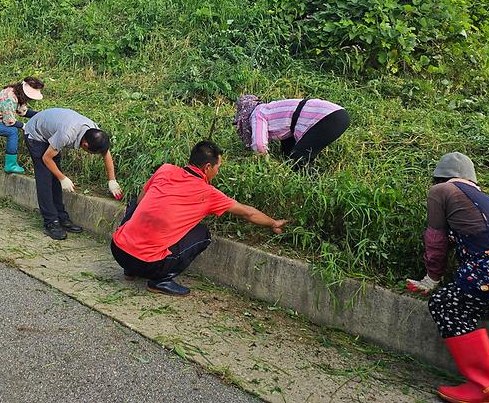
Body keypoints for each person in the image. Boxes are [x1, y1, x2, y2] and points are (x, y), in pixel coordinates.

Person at [405, 152, 489, 403]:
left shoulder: (441, 191)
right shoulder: (484, 200)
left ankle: (483, 388)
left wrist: (431, 279)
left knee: (447, 303)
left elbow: (435, 239)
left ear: (438, 177)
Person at [111, 141, 288, 296]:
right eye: (218, 168)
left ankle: (130, 271)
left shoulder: (165, 169)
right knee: (202, 233)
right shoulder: (209, 194)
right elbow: (247, 213)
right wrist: (273, 223)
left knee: (136, 204)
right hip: (147, 264)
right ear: (207, 168)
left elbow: (141, 201)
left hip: (118, 250)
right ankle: (160, 281)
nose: (218, 172)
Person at [23, 107, 123, 240]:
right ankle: (50, 222)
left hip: (52, 132)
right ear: (85, 145)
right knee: (45, 179)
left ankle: (61, 217)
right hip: (36, 134)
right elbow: (46, 158)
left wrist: (112, 180)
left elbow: (106, 153)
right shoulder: (67, 135)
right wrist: (62, 178)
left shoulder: (94, 131)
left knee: (55, 177)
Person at [234, 96, 350, 169]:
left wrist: (266, 166)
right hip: (337, 115)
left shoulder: (258, 113)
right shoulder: (272, 110)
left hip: (330, 117)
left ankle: (311, 189)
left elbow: (259, 145)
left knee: (299, 158)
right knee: (292, 158)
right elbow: (287, 145)